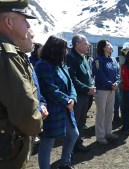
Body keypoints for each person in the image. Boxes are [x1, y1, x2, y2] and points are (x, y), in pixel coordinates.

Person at [0, 1, 43, 168]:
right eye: (24, 19)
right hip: (8, 152)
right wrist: (38, 120)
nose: (28, 24)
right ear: (9, 22)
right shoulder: (6, 54)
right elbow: (27, 117)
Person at [35, 35, 79, 169]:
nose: (66, 51)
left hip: (66, 108)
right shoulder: (43, 65)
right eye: (64, 48)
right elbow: (49, 88)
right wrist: (67, 101)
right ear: (56, 49)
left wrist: (72, 98)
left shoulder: (61, 64)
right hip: (52, 110)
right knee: (47, 143)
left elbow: (70, 84)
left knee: (74, 134)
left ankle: (65, 163)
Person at [66, 34, 94, 153]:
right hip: (77, 96)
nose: (88, 45)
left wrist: (91, 86)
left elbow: (87, 75)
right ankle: (70, 148)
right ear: (77, 44)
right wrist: (86, 88)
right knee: (75, 122)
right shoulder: (71, 57)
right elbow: (72, 79)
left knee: (82, 121)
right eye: (85, 43)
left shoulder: (83, 57)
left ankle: (78, 143)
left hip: (86, 95)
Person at [92, 40, 120, 144]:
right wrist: (110, 84)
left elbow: (117, 73)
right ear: (103, 48)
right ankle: (100, 136)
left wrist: (117, 83)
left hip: (112, 90)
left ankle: (108, 132)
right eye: (108, 45)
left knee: (109, 112)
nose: (110, 46)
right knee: (101, 113)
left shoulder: (113, 60)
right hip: (101, 90)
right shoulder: (98, 60)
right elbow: (99, 74)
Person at [115, 42, 129, 122]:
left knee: (124, 100)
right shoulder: (120, 58)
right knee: (120, 100)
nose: (128, 51)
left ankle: (122, 116)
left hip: (127, 82)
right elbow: (119, 70)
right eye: (127, 50)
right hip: (121, 82)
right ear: (123, 50)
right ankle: (117, 116)